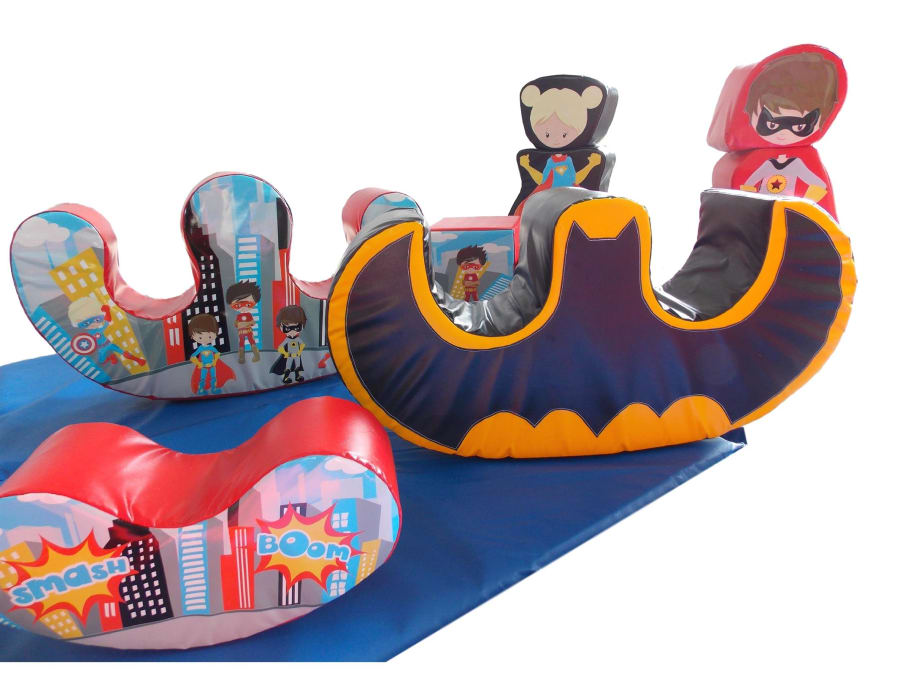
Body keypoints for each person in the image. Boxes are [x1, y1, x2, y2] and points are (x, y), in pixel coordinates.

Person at [188, 313, 234, 395]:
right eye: (200, 337)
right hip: (204, 367)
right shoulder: (200, 348)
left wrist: (215, 361)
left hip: (212, 366)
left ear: (216, 334)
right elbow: (192, 357)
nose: (205, 339)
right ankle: (201, 389)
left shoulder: (211, 348)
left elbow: (217, 353)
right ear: (193, 337)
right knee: (203, 378)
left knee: (213, 377)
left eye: (209, 336)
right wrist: (198, 363)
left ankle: (214, 388)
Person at [226, 280, 261, 364]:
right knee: (241, 345)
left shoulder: (249, 315)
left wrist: (243, 324)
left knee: (252, 343)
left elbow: (253, 322)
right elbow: (236, 324)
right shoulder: (238, 316)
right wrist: (243, 324)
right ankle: (241, 358)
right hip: (241, 333)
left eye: (248, 304)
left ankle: (256, 356)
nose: (243, 308)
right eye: (238, 305)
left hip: (248, 332)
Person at [270, 305, 307, 384]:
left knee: (298, 366)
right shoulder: (287, 340)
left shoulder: (297, 339)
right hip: (289, 356)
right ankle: (286, 377)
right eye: (287, 328)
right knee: (288, 366)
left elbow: (302, 345)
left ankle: (297, 376)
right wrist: (285, 353)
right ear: (281, 327)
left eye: (297, 328)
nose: (292, 331)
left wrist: (299, 351)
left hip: (297, 355)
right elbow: (280, 347)